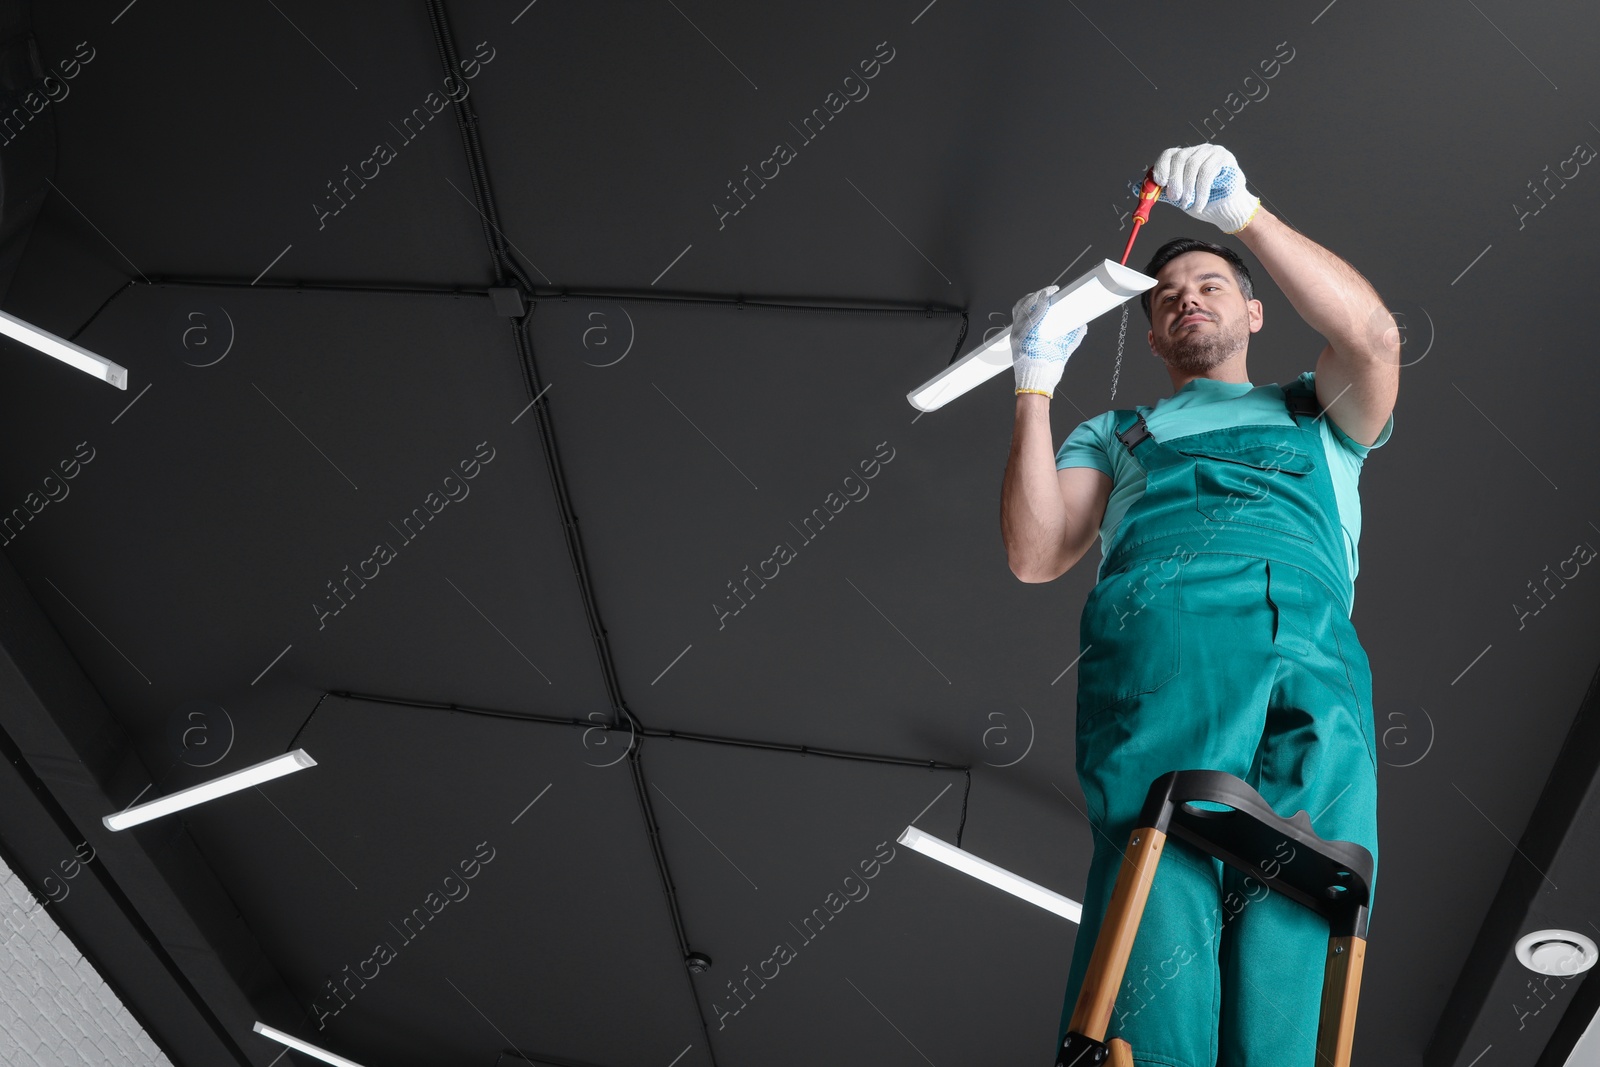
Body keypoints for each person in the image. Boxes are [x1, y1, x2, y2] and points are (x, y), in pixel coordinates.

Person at [998, 143, 1400, 1066]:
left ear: (1256, 311)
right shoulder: (1118, 432)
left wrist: (1243, 212)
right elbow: (1035, 552)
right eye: (1167, 292)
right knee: (1163, 859)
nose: (1187, 296)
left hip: (1317, 652)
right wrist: (1034, 385)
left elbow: (1374, 339)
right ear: (1147, 334)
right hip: (1164, 637)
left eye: (1211, 282)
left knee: (1304, 885)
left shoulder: (1321, 411)